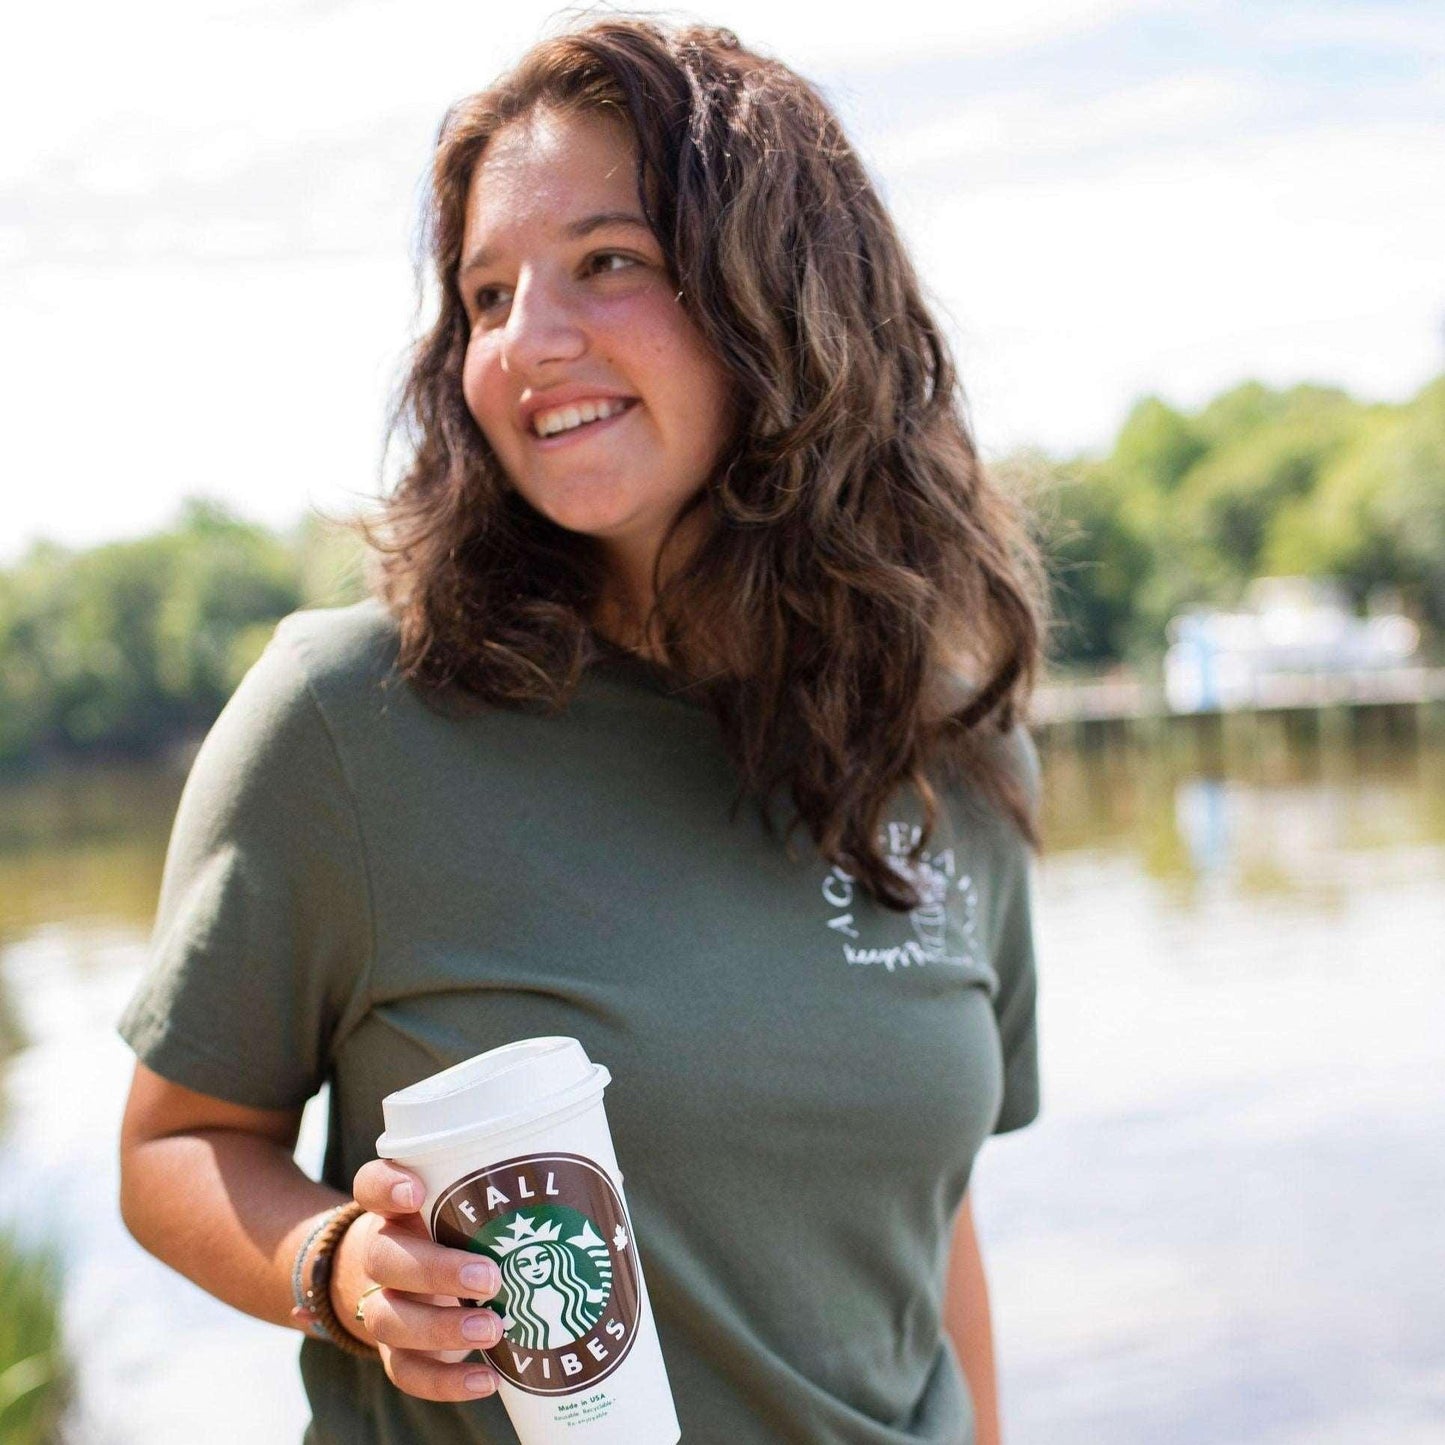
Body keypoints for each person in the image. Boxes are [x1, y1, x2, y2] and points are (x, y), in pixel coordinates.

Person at [116, 16, 1047, 1445]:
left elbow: (932, 1222)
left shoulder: (951, 745)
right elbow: (177, 1144)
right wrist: (343, 1271)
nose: (525, 344)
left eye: (606, 261)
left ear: (787, 297)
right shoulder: (348, 720)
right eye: (486, 295)